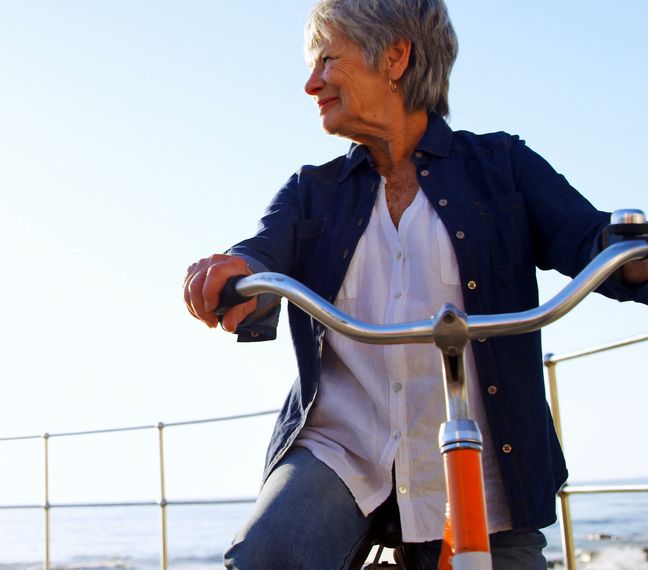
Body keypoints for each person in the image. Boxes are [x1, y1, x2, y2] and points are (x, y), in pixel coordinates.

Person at [183, 1, 648, 568]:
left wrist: (630, 253)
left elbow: (591, 240)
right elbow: (259, 255)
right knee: (265, 557)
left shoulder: (502, 165)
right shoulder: (313, 192)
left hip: (488, 461)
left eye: (328, 59)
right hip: (342, 452)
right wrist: (235, 274)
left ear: (396, 56)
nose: (311, 83)